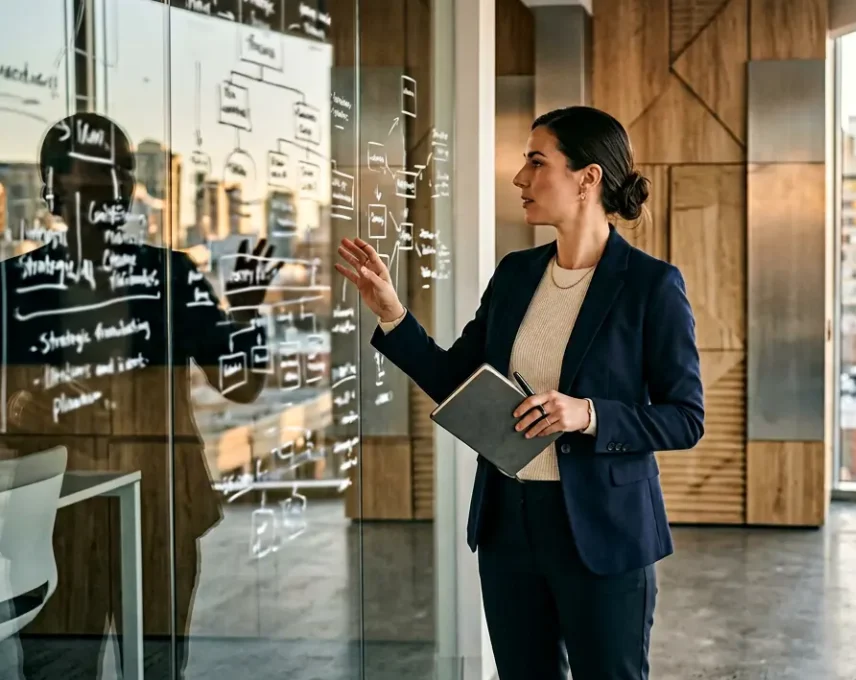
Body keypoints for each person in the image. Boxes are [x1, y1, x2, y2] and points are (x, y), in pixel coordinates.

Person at [335, 105, 704, 679]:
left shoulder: (652, 286)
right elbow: (456, 379)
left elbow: (685, 418)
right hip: (509, 525)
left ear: (588, 178)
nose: (519, 179)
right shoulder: (515, 273)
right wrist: (392, 313)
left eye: (536, 162)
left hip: (603, 532)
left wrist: (586, 414)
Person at [0, 112, 280, 679]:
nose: (118, 187)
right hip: (61, 515)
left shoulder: (171, 276)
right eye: (102, 174)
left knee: (126, 667)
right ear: (53, 190)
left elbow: (239, 384)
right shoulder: (16, 287)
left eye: (123, 173)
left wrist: (245, 318)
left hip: (153, 510)